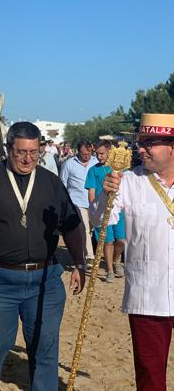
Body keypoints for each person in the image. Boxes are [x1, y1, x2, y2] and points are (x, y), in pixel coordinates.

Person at [0, 121, 86, 391]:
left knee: (45, 351)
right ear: (7, 150)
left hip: (45, 282)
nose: (28, 159)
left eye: (34, 152)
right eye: (21, 152)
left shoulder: (50, 181)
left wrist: (80, 263)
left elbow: (72, 225)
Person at [92, 113, 174, 391]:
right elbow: (100, 221)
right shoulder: (127, 181)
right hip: (148, 297)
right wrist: (106, 195)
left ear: (172, 147)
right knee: (150, 377)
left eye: (149, 142)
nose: (141, 148)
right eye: (140, 142)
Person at [85, 140, 125, 283]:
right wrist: (94, 209)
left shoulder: (118, 169)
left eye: (102, 153)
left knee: (121, 240)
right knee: (108, 242)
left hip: (118, 210)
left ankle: (116, 261)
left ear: (110, 152)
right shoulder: (93, 170)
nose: (99, 156)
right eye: (97, 154)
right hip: (102, 211)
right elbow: (91, 192)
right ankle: (109, 270)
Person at [60, 141, 98, 267]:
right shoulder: (69, 164)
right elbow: (63, 183)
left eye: (88, 153)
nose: (86, 156)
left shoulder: (96, 162)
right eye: (83, 154)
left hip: (95, 202)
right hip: (77, 202)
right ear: (78, 152)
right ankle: (89, 257)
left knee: (93, 228)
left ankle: (90, 251)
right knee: (85, 229)